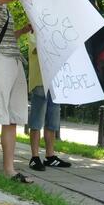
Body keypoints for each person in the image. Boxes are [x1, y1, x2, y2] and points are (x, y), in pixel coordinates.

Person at [0, 0, 70, 183]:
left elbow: (5, 35)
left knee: (12, 119)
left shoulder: (4, 8)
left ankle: (10, 170)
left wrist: (24, 31)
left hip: (14, 61)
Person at [26, 33, 71, 171]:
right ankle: (34, 157)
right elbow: (36, 50)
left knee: (52, 121)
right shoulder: (34, 34)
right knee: (36, 121)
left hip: (55, 83)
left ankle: (50, 156)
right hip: (40, 82)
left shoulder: (56, 33)